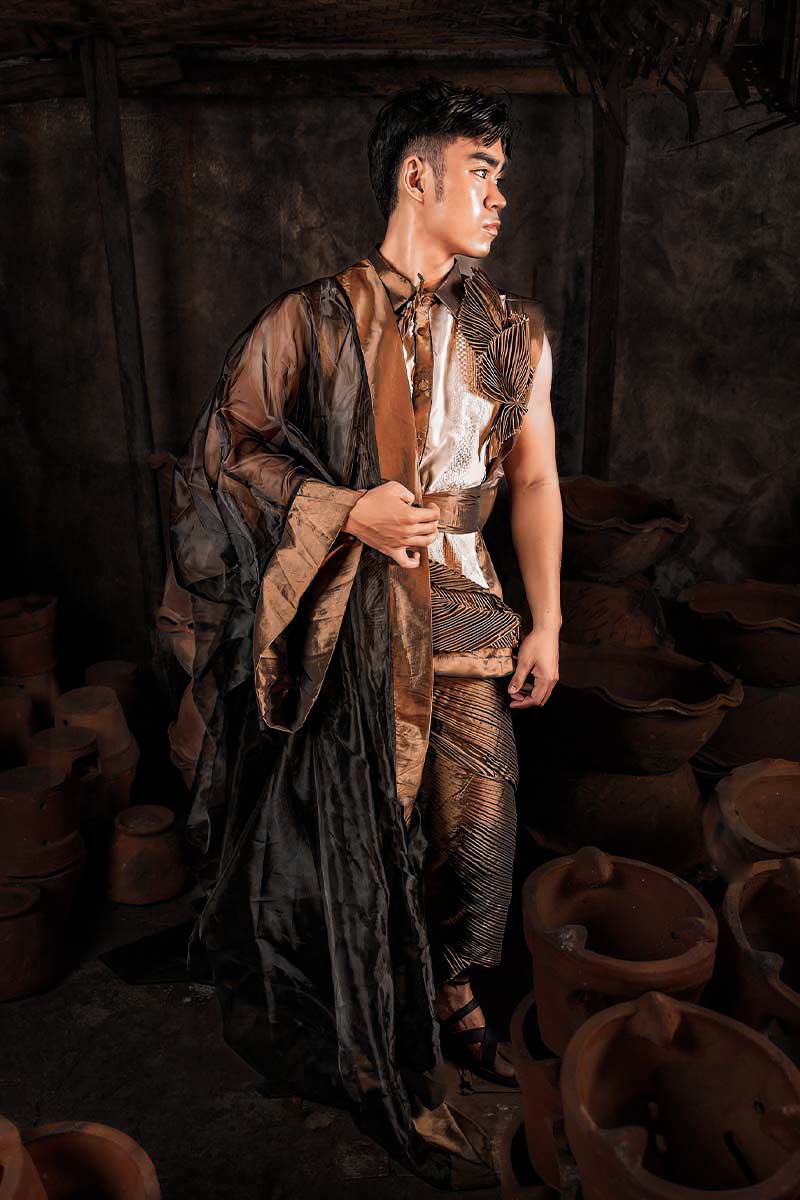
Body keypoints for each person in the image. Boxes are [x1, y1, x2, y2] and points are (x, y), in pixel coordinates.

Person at [170, 78, 561, 1189]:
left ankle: (456, 982)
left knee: (479, 822)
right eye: (479, 171)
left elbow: (533, 480)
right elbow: (226, 443)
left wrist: (552, 618)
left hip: (471, 609)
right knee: (364, 825)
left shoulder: (515, 331)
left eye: (499, 175)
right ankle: (390, 1001)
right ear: (416, 174)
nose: (498, 196)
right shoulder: (312, 316)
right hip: (352, 621)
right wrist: (342, 507)